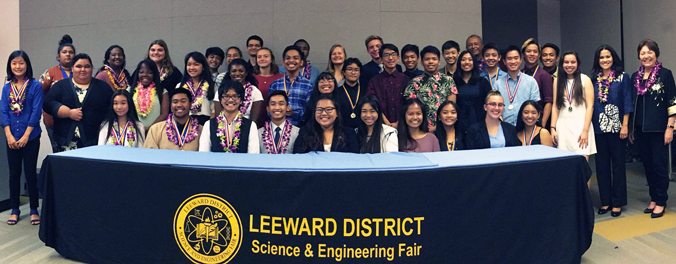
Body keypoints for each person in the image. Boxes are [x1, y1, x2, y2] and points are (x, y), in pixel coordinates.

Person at [630, 39, 676, 218]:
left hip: (659, 129)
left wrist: (670, 127)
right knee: (647, 165)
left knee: (659, 165)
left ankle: (661, 200)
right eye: (642, 53)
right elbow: (634, 103)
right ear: (638, 56)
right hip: (641, 129)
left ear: (656, 54)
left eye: (650, 52)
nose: (646, 56)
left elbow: (673, 103)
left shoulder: (665, 74)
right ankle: (653, 198)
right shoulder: (636, 76)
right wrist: (632, 128)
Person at [591, 44, 632, 217]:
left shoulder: (623, 77)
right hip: (598, 128)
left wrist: (625, 125)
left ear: (613, 58)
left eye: (608, 56)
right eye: (601, 57)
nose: (605, 60)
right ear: (597, 61)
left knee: (618, 165)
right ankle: (605, 201)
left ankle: (617, 202)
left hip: (617, 128)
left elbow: (627, 101)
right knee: (601, 166)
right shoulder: (593, 79)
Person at [2, 51, 42, 225]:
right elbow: (4, 112)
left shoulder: (35, 86)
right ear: (10, 66)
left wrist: (26, 135)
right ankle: (15, 209)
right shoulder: (7, 87)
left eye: (21, 63)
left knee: (30, 173)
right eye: (14, 63)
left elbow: (36, 112)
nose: (18, 67)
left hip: (31, 137)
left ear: (27, 65)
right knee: (14, 174)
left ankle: (34, 209)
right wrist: (9, 135)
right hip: (12, 137)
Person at [44, 53, 113, 151]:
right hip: (65, 142)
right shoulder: (61, 86)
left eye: (87, 66)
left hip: (94, 142)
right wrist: (68, 113)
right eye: (78, 66)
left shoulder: (103, 88)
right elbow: (47, 103)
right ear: (72, 68)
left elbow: (111, 109)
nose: (83, 69)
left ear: (92, 69)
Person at [550, 50, 596, 158]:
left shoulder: (585, 79)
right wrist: (552, 128)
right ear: (562, 64)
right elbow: (555, 105)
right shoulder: (557, 81)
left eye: (573, 62)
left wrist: (585, 130)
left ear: (577, 64)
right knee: (565, 164)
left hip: (581, 127)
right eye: (566, 62)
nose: (569, 65)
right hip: (563, 127)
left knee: (582, 165)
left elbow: (590, 107)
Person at [404, 45, 458, 131]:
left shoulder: (448, 81)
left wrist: (437, 127)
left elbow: (451, 108)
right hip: (421, 129)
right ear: (422, 62)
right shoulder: (414, 83)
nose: (430, 62)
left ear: (439, 62)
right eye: (427, 59)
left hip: (444, 127)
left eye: (434, 59)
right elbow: (411, 110)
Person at [199, 80, 259, 153]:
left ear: (241, 100)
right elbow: (203, 154)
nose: (230, 100)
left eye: (235, 96)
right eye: (226, 96)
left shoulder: (251, 126)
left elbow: (253, 156)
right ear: (220, 100)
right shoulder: (209, 125)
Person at [39, 35, 75, 152]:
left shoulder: (79, 72)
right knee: (58, 151)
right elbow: (39, 93)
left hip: (75, 119)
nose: (68, 54)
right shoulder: (50, 73)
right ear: (58, 56)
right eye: (64, 52)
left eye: (71, 52)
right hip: (53, 120)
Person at [492, 45, 541, 126]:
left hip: (525, 128)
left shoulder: (531, 82)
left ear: (521, 59)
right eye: (509, 58)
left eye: (516, 58)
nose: (513, 61)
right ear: (504, 61)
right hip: (504, 128)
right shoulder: (498, 84)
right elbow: (494, 107)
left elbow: (534, 107)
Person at [293, 94, 359, 153]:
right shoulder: (305, 132)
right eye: (319, 109)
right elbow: (297, 157)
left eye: (329, 109)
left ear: (337, 113)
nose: (324, 113)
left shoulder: (348, 133)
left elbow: (354, 158)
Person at [269, 46, 314, 126]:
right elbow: (269, 110)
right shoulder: (275, 84)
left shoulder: (308, 85)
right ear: (283, 62)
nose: (291, 61)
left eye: (295, 58)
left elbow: (310, 111)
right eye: (288, 58)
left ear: (301, 62)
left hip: (301, 129)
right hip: (278, 128)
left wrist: (294, 114)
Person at [367, 43, 409, 128]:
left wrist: (399, 122)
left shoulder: (406, 80)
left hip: (404, 125)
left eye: (393, 54)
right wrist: (386, 123)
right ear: (381, 59)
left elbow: (409, 104)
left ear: (398, 58)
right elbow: (373, 104)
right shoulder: (374, 81)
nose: (390, 58)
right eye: (386, 55)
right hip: (381, 126)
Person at [453, 50, 491, 134]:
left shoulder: (483, 82)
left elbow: (489, 103)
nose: (467, 62)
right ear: (459, 62)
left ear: (474, 62)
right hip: (459, 124)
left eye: (470, 59)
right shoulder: (453, 82)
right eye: (463, 59)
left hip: (479, 122)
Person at [521, 38, 554, 128]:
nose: (532, 54)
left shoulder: (544, 75)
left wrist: (542, 124)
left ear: (539, 55)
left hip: (538, 121)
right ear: (523, 54)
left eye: (535, 52)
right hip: (522, 119)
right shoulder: (520, 74)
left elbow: (549, 102)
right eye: (528, 51)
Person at [176, 52, 215, 125]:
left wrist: (208, 127)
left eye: (196, 64)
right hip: (185, 123)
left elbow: (214, 111)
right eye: (189, 64)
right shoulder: (179, 86)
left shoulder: (212, 86)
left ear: (203, 66)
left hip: (206, 123)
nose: (192, 68)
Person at [129, 59, 169, 128]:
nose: (145, 75)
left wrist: (150, 128)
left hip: (155, 131)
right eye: (141, 72)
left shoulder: (162, 92)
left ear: (154, 74)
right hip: (134, 131)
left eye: (149, 72)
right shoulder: (129, 90)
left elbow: (164, 114)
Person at [253, 47, 284, 126]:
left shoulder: (281, 78)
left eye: (266, 56)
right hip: (256, 118)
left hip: (277, 117)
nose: (262, 59)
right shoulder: (251, 78)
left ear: (271, 59)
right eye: (259, 57)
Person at [339, 58, 367, 129]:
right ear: (343, 72)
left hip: (362, 129)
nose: (353, 72)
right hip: (342, 130)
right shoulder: (337, 92)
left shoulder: (365, 91)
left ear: (360, 73)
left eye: (356, 70)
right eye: (349, 69)